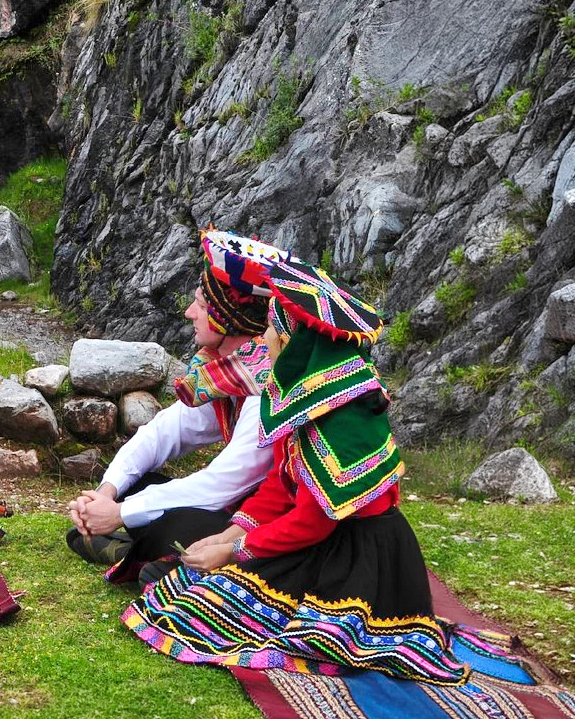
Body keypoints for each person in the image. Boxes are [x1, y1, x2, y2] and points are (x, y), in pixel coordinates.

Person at [123, 257, 469, 685]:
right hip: (325, 541)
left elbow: (312, 520)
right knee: (187, 584)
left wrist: (233, 551)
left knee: (211, 605)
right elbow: (280, 484)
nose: (264, 337)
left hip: (360, 557)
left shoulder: (344, 415)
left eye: (271, 329)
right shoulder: (304, 394)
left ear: (292, 340)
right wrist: (230, 534)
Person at [68, 231, 286, 586]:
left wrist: (120, 514)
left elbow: (224, 483)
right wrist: (108, 493)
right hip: (233, 506)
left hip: (260, 519)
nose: (189, 313)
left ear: (227, 316)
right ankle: (145, 552)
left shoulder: (269, 387)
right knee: (136, 488)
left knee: (165, 521)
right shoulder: (230, 371)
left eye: (201, 304)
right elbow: (165, 431)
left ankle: (145, 555)